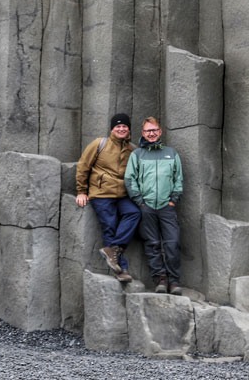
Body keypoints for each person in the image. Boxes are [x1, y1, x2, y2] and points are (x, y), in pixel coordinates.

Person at [75, 113, 140, 283]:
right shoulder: (99, 144)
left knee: (134, 213)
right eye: (118, 126)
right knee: (109, 225)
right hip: (101, 193)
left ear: (129, 129)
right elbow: (83, 166)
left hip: (123, 195)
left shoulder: (132, 149)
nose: (121, 129)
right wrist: (81, 191)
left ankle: (113, 249)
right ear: (112, 129)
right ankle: (122, 269)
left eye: (124, 126)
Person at [124, 116, 183, 295]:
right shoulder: (137, 155)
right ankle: (161, 280)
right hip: (147, 206)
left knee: (172, 244)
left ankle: (174, 282)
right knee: (152, 244)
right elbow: (129, 179)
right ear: (143, 133)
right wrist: (140, 201)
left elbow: (178, 179)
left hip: (167, 206)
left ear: (160, 131)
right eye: (148, 131)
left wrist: (173, 199)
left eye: (154, 130)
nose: (151, 133)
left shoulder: (171, 153)